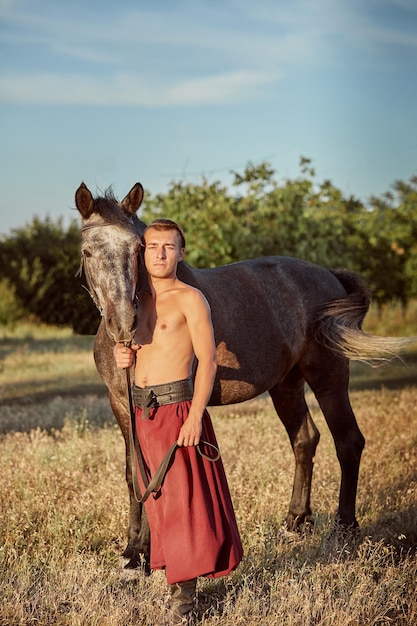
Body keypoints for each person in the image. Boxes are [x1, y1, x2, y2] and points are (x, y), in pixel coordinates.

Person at [114, 218, 243, 625]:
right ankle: (174, 575)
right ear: (142, 252)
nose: (160, 253)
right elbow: (129, 350)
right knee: (159, 502)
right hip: (142, 411)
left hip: (178, 408)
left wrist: (196, 416)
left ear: (181, 253)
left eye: (169, 247)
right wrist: (125, 358)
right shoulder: (134, 301)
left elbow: (208, 360)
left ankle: (184, 598)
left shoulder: (191, 299)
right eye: (153, 246)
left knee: (186, 502)